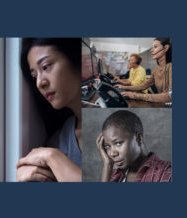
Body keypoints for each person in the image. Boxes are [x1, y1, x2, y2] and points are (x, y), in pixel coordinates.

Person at [16, 38, 82, 182]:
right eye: (34, 76)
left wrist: (53, 157)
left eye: (45, 67)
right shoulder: (59, 142)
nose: (40, 83)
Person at [96, 110, 171, 182]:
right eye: (107, 146)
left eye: (118, 143)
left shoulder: (166, 174)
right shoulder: (113, 176)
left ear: (138, 138)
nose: (112, 154)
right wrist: (107, 165)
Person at [115, 38, 172, 103]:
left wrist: (136, 96)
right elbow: (144, 85)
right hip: (162, 104)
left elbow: (170, 96)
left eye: (155, 47)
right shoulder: (156, 69)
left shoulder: (171, 67)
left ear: (166, 48)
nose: (151, 50)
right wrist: (123, 87)